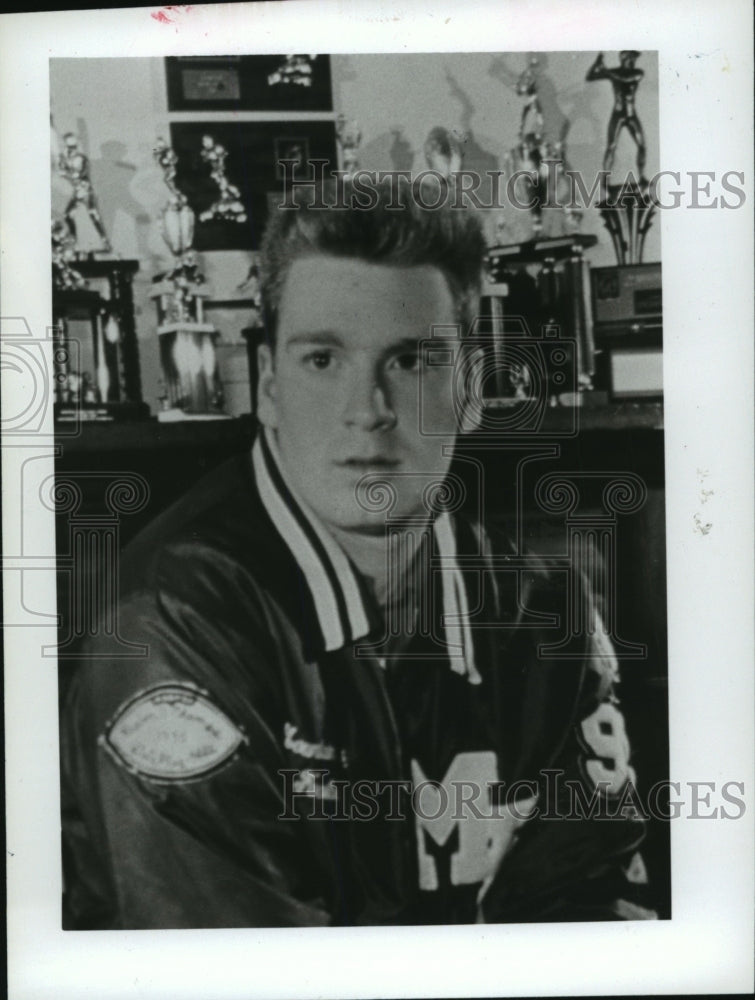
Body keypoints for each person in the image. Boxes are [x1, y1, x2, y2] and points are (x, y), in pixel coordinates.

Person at [60, 176, 656, 928]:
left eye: (409, 361)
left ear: (470, 390)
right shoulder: (165, 627)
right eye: (322, 360)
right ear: (269, 387)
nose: (366, 411)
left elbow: (592, 920)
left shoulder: (548, 613)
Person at [586, 51, 648, 181]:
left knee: (642, 145)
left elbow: (626, 79)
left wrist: (606, 71)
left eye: (634, 58)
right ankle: (606, 178)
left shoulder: (637, 72)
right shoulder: (614, 72)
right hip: (618, 114)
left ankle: (641, 176)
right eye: (632, 57)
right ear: (624, 58)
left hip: (631, 114)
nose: (634, 60)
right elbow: (590, 76)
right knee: (611, 146)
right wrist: (597, 63)